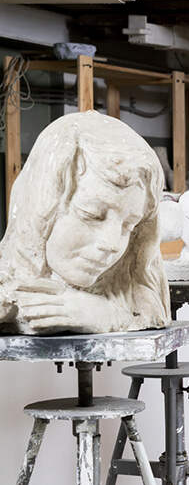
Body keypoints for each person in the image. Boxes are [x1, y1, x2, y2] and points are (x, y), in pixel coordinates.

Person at [0, 110, 170, 334]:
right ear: (42, 205)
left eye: (129, 226)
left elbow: (151, 309)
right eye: (92, 215)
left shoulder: (134, 291)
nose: (111, 244)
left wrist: (110, 314)